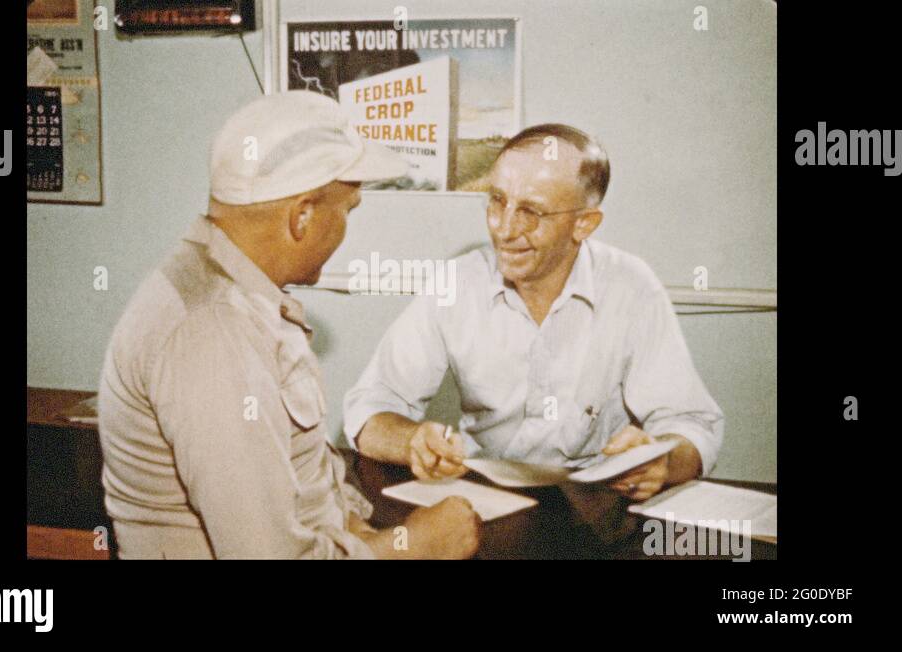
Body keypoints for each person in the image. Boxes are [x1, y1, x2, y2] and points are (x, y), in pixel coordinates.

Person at [98, 91, 482, 559]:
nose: (345, 228)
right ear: (302, 215)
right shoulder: (214, 334)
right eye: (348, 210)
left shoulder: (233, 292)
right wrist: (418, 547)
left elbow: (300, 482)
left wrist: (361, 530)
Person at [344, 124, 723, 502]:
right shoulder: (456, 283)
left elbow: (692, 425)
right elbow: (371, 405)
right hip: (482, 498)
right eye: (497, 200)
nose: (504, 229)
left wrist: (660, 460)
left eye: (532, 211)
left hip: (596, 503)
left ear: (583, 224)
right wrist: (411, 440)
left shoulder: (631, 286)